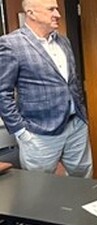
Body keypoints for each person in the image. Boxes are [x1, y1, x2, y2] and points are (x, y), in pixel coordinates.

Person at [0, 0, 92, 177]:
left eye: (57, 9)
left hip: (76, 126)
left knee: (84, 179)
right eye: (51, 9)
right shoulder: (11, 44)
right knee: (39, 187)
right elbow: (3, 93)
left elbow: (73, 82)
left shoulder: (63, 41)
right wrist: (21, 132)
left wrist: (83, 117)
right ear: (31, 13)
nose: (57, 14)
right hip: (39, 133)